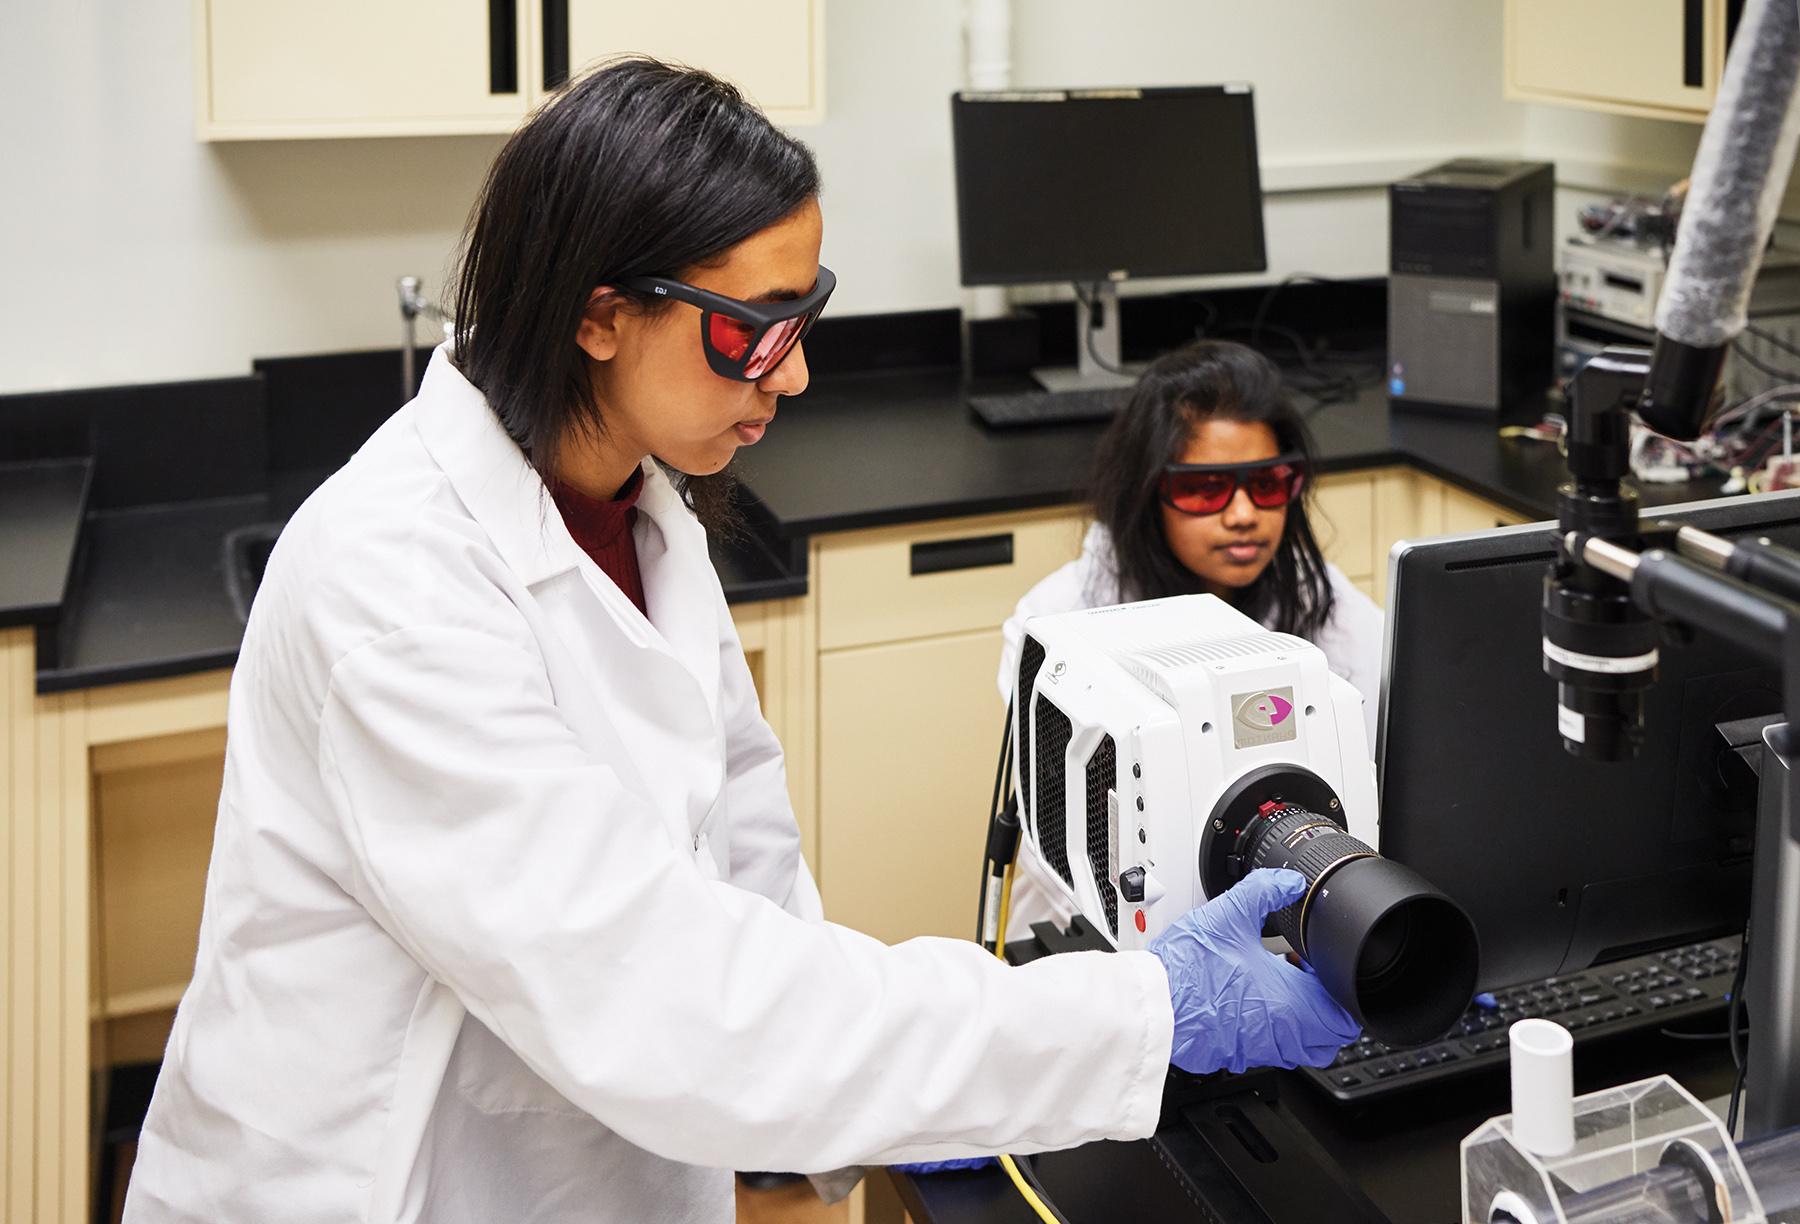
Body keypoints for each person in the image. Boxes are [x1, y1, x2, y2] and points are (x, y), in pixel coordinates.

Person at [123, 60, 1357, 1224]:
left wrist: (905, 1087)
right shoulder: (394, 587)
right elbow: (671, 1002)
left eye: (806, 313)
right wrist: (1135, 1012)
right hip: (380, 1183)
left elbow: (750, 877)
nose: (799, 372)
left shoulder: (640, 508)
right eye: (756, 327)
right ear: (603, 317)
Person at [996, 340, 1386, 924]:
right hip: (1096, 938)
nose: (1244, 514)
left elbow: (1397, 751)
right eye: (1206, 488)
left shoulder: (1319, 600)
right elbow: (1056, 840)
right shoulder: (1056, 624)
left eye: (1270, 483)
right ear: (1148, 491)